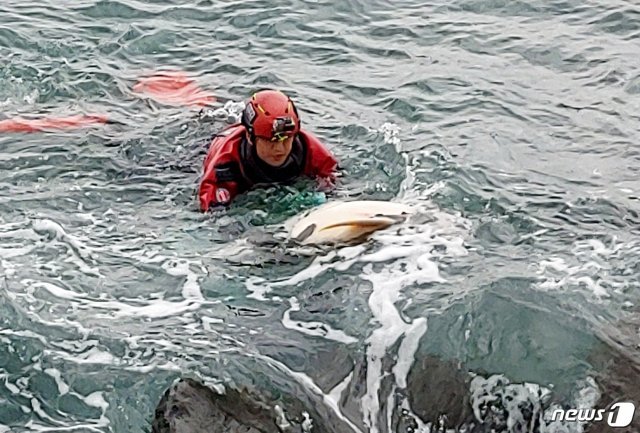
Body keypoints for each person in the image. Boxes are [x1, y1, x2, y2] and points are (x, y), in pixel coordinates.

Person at [198, 89, 338, 212]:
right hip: (204, 145)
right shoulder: (225, 165)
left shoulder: (312, 150)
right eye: (270, 141)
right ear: (250, 137)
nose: (279, 149)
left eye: (286, 139)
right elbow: (213, 215)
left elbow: (336, 186)